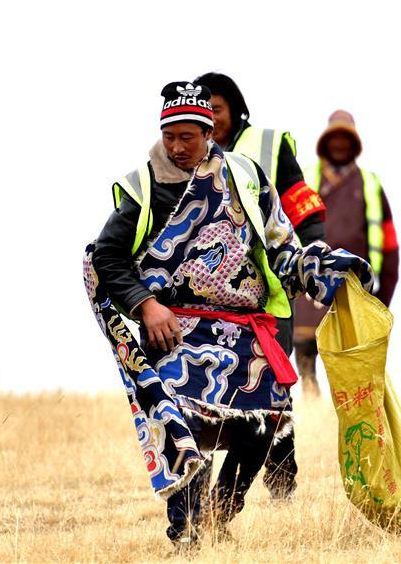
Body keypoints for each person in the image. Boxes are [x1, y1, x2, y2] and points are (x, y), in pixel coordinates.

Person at [82, 81, 372, 550]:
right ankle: (187, 534)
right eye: (169, 136)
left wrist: (320, 268)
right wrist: (146, 305)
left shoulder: (247, 176)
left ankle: (221, 513)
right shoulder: (145, 185)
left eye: (187, 136)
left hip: (242, 329)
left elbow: (281, 245)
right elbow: (107, 258)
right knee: (181, 427)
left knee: (266, 419)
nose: (176, 147)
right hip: (173, 329)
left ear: (208, 130)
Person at [193, 72, 325, 499]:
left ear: (235, 109)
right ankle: (196, 499)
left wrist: (316, 256)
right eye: (203, 112)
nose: (210, 120)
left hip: (267, 299)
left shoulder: (268, 144)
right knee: (208, 396)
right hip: (205, 305)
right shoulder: (187, 152)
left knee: (270, 390)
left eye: (217, 110)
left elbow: (301, 204)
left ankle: (280, 482)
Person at [294, 110, 400, 395]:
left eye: (345, 139)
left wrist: (382, 296)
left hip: (356, 282)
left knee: (351, 349)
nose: (339, 145)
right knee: (305, 341)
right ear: (325, 142)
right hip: (310, 279)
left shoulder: (370, 184)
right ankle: (310, 394)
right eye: (334, 139)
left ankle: (349, 400)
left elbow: (388, 244)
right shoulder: (305, 179)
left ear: (354, 144)